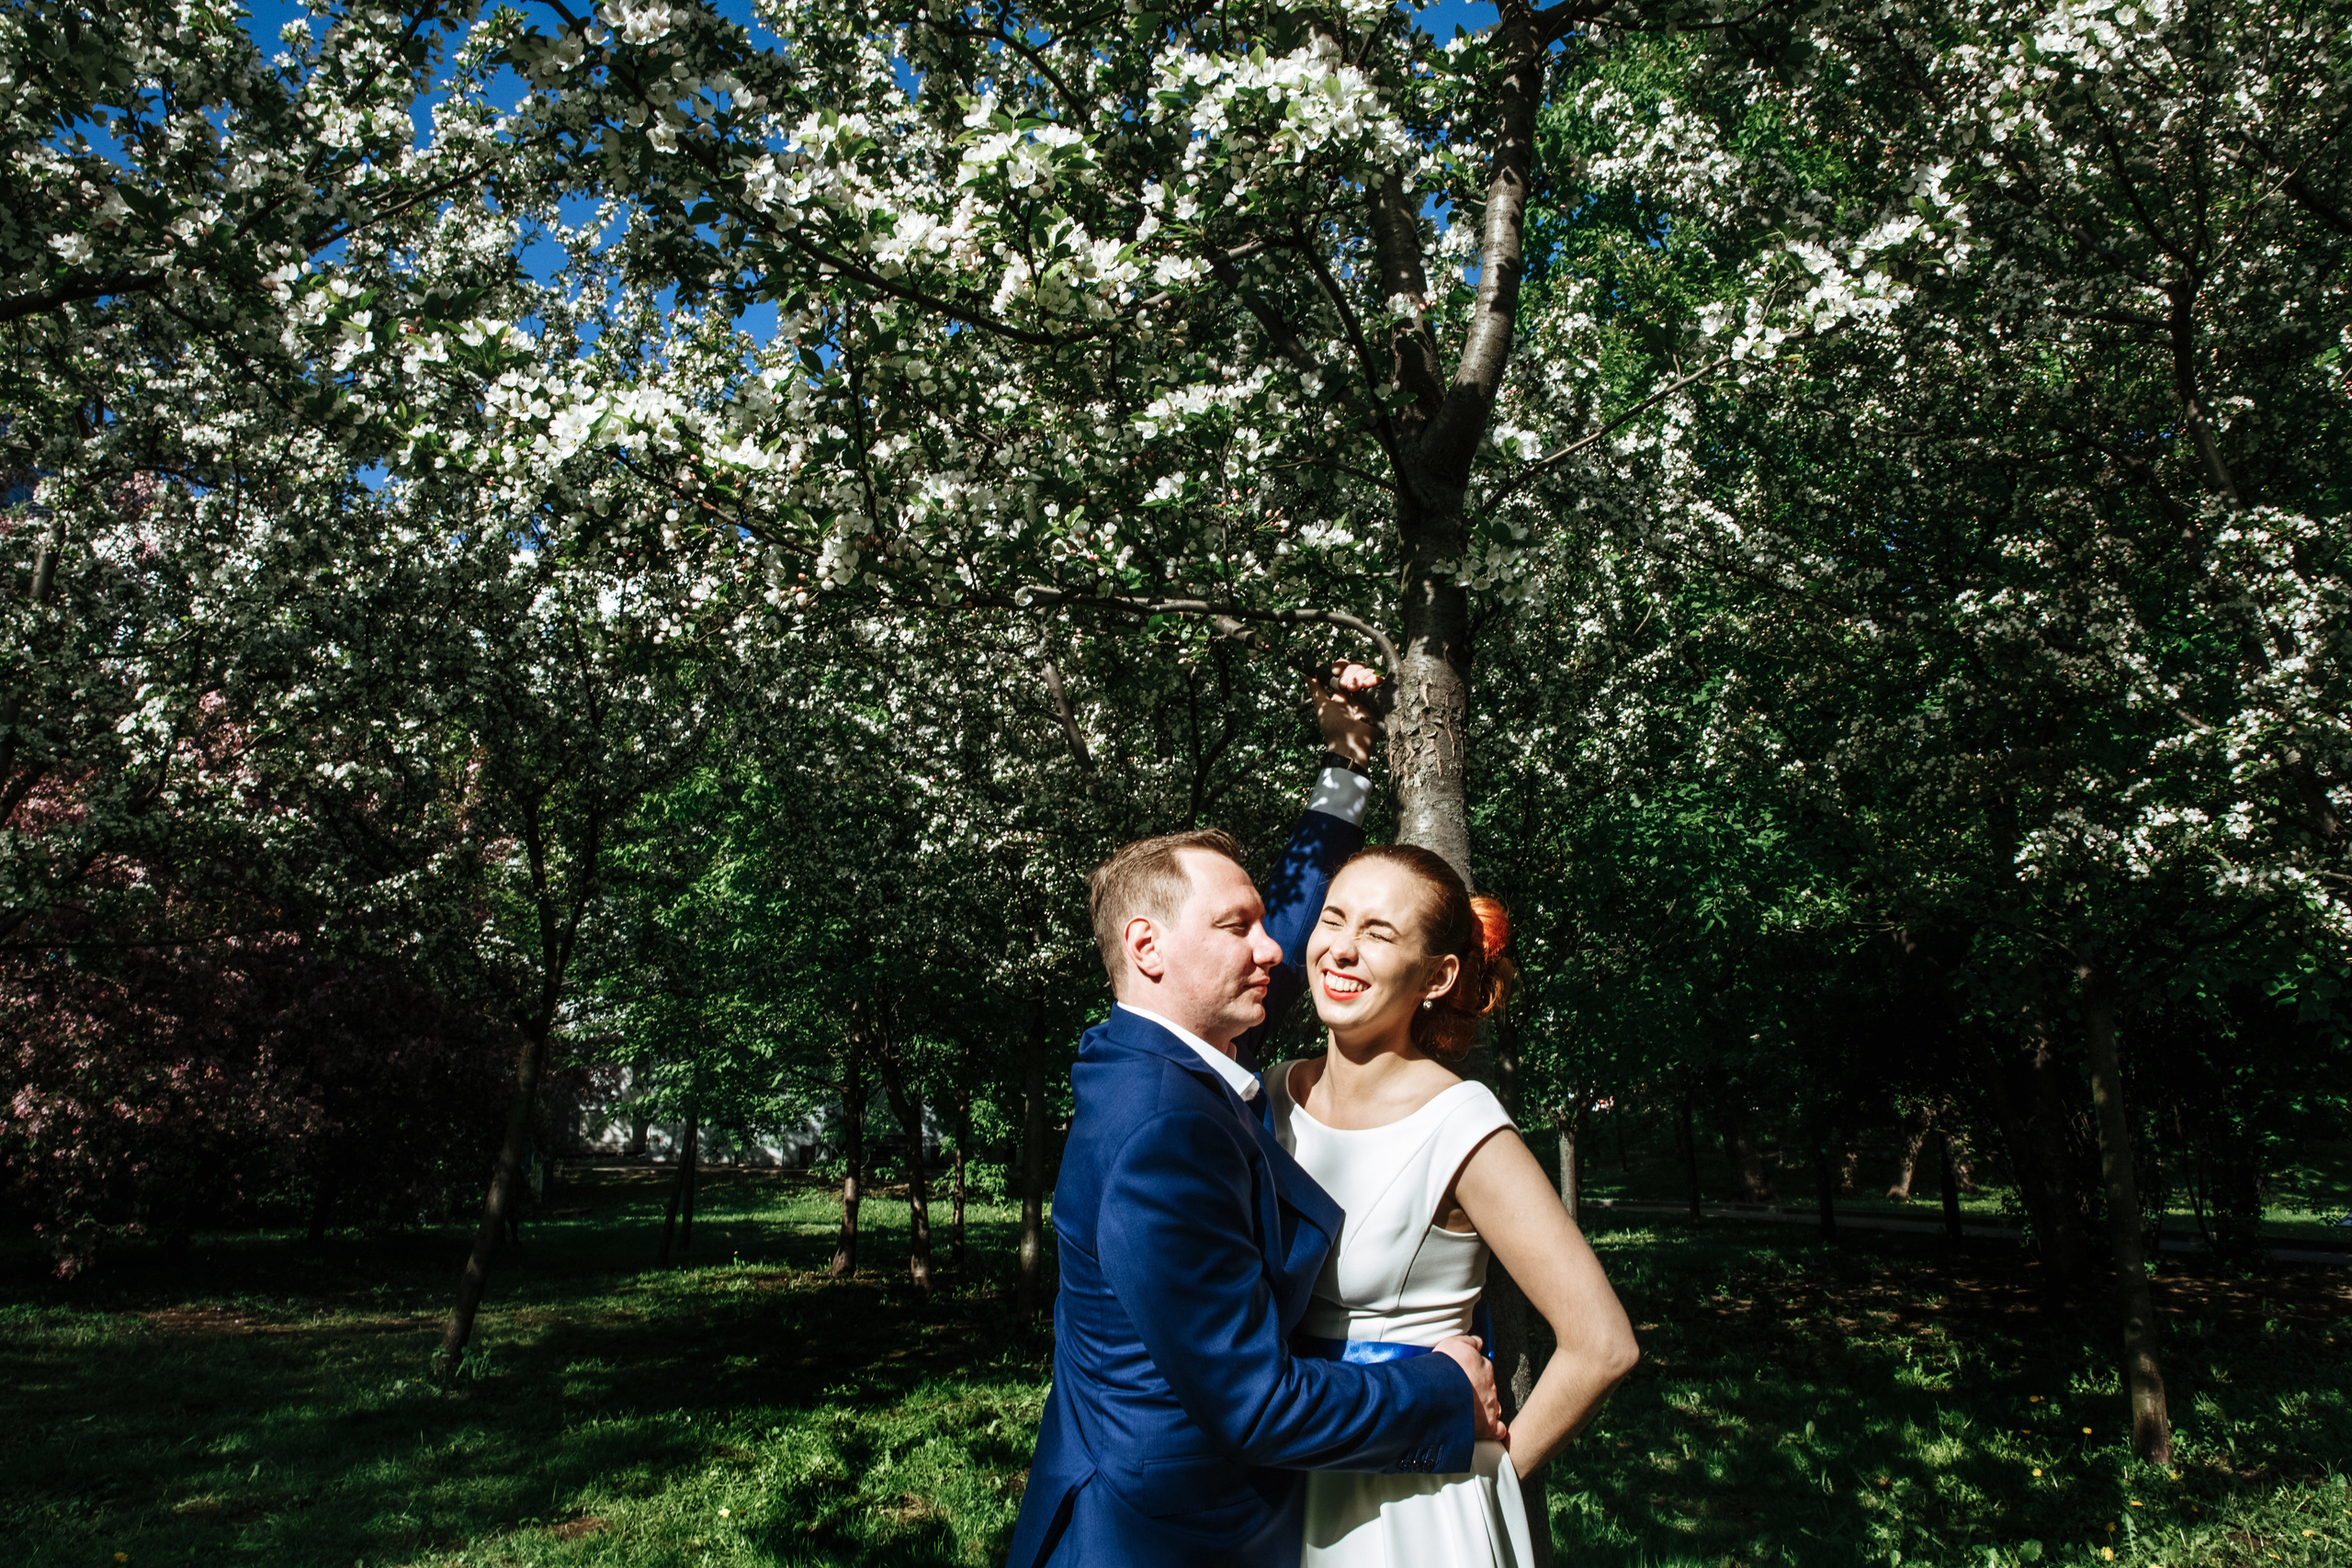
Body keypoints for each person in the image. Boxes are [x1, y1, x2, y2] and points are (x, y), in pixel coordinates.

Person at [1006, 667, 1505, 1568]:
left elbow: (1293, 925)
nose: (1275, 948)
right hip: (1164, 1544)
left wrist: (1345, 765)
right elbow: (1255, 1404)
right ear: (1147, 947)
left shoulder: (1150, 1057)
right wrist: (1443, 1391)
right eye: (1237, 927)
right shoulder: (1166, 1131)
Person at [1263, 844, 1642, 1565]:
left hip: (1406, 1510)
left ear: (1437, 976)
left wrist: (1486, 1483)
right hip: (1271, 1487)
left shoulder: (1462, 1123)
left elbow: (1603, 1343)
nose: (1342, 947)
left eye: (1378, 932)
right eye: (1333, 919)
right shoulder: (1271, 1094)